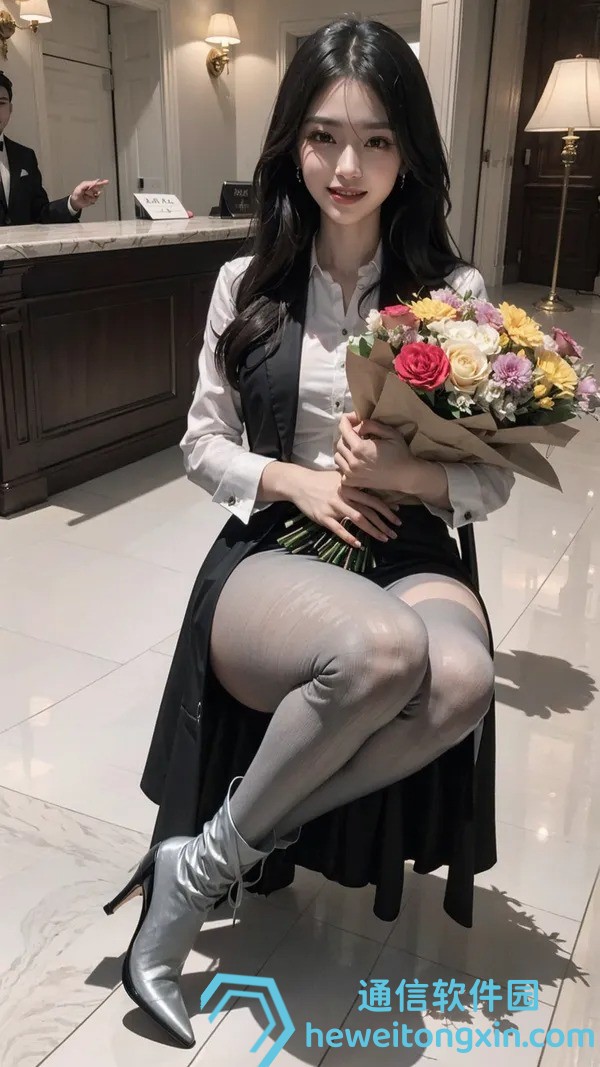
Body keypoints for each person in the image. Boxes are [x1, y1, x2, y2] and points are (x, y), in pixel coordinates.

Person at [104, 17, 513, 1049]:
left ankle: (218, 844)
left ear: (410, 154)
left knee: (463, 682)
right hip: (278, 550)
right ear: (292, 141)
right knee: (383, 648)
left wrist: (402, 472)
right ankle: (197, 881)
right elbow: (202, 444)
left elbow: (494, 481)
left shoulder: (454, 295)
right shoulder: (244, 284)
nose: (346, 167)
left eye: (376, 141)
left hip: (408, 544)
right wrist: (294, 477)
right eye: (324, 136)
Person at [0, 71, 108, 226]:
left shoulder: (25, 156)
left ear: (10, 108)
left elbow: (40, 213)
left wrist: (73, 203)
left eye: (1, 103)